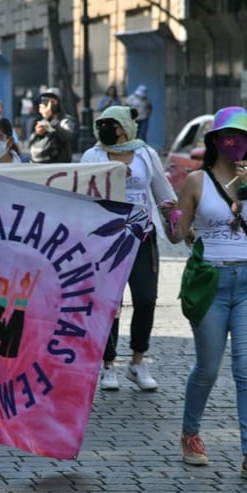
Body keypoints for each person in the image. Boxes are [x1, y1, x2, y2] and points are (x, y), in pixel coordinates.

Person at [164, 106, 247, 483]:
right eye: (226, 136)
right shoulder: (197, 181)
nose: (233, 143)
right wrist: (171, 217)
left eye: (240, 137)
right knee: (208, 368)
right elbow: (175, 235)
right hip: (210, 282)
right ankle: (190, 433)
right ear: (214, 141)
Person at [80, 106, 177, 391]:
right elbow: (80, 192)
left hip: (142, 236)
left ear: (126, 127)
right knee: (109, 302)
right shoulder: (92, 155)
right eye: (103, 124)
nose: (109, 129)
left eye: (114, 124)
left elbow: (163, 191)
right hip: (107, 239)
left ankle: (137, 361)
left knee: (146, 299)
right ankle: (108, 364)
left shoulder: (146, 154)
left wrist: (177, 221)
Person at [28, 87, 76, 163]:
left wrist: (52, 123)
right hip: (39, 164)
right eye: (46, 101)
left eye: (53, 102)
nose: (49, 105)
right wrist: (37, 134)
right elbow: (30, 143)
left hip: (59, 165)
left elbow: (67, 136)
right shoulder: (39, 121)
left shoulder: (66, 120)